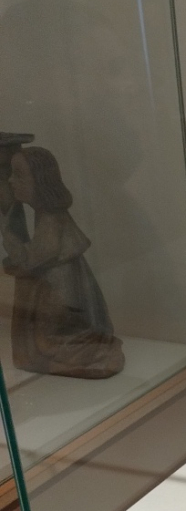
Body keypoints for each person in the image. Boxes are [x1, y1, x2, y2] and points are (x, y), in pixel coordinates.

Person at [1, 145, 125, 378]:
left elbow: (31, 259)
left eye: (18, 175)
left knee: (48, 344)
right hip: (59, 289)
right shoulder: (45, 214)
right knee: (43, 342)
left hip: (62, 292)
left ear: (40, 181)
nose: (9, 181)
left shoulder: (50, 219)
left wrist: (7, 233)